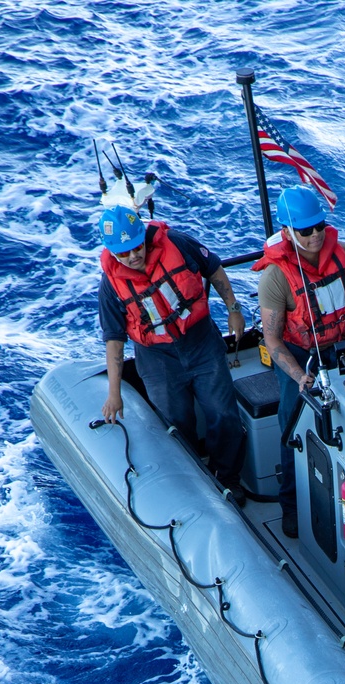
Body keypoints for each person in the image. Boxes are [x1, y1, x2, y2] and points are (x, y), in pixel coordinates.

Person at [253, 185, 345, 538]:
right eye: (304, 230)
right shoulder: (275, 278)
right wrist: (300, 377)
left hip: (344, 344)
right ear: (287, 232)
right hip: (301, 355)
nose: (314, 235)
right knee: (292, 427)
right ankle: (292, 506)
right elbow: (272, 338)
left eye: (319, 226)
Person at [98, 204, 247, 504]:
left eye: (136, 247)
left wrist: (234, 309)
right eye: (124, 253)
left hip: (201, 342)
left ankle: (227, 480)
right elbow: (114, 340)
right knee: (176, 425)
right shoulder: (110, 286)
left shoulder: (177, 243)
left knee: (224, 414)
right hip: (157, 359)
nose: (133, 256)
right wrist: (114, 393)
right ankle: (193, 490)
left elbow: (213, 268)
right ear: (114, 254)